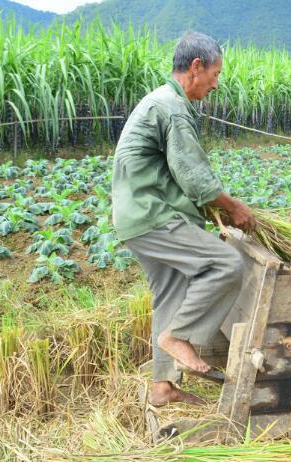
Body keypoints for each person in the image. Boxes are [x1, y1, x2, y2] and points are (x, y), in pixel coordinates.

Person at [111, 31, 256, 406]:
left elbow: (177, 174)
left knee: (171, 293)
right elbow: (194, 176)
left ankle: (163, 388)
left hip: (135, 216)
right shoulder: (172, 108)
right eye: (216, 73)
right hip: (151, 215)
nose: (216, 84)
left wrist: (211, 205)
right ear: (196, 67)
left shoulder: (165, 103)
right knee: (227, 264)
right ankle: (181, 338)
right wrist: (232, 206)